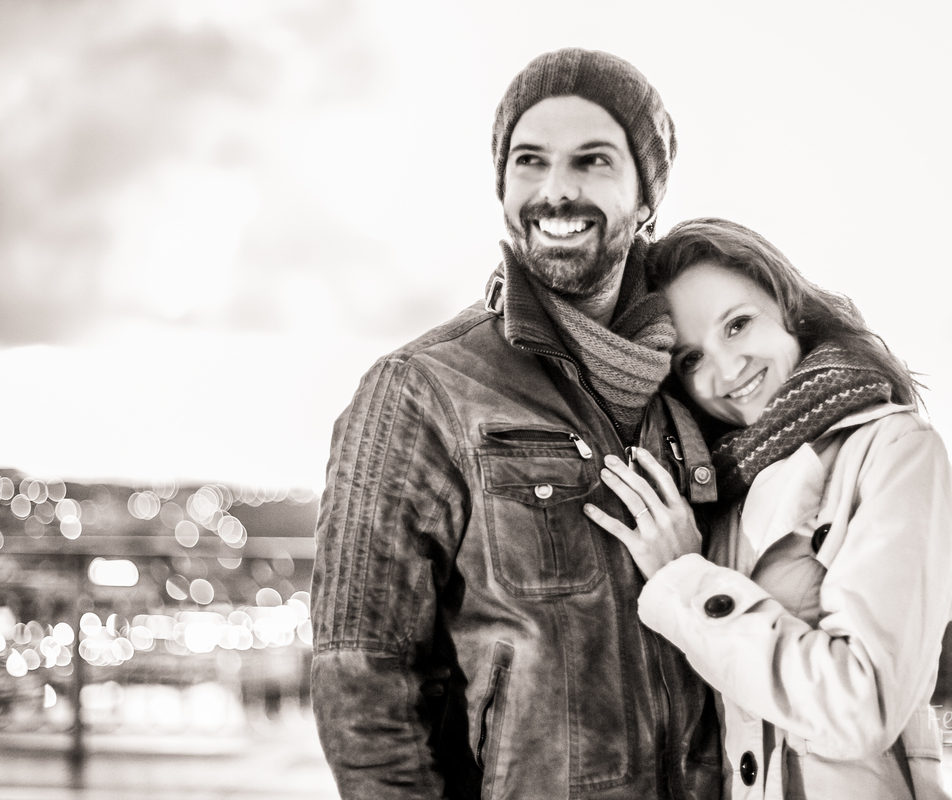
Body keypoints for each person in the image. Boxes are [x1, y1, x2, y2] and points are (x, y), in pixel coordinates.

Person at [310, 50, 725, 800]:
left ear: (647, 198)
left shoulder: (698, 386)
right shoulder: (422, 390)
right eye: (529, 162)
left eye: (592, 161)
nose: (556, 190)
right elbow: (362, 679)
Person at [586, 217, 952, 799]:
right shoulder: (720, 484)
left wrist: (686, 580)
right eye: (691, 359)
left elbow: (859, 708)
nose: (727, 370)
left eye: (738, 325)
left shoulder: (894, 451)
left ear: (789, 308)